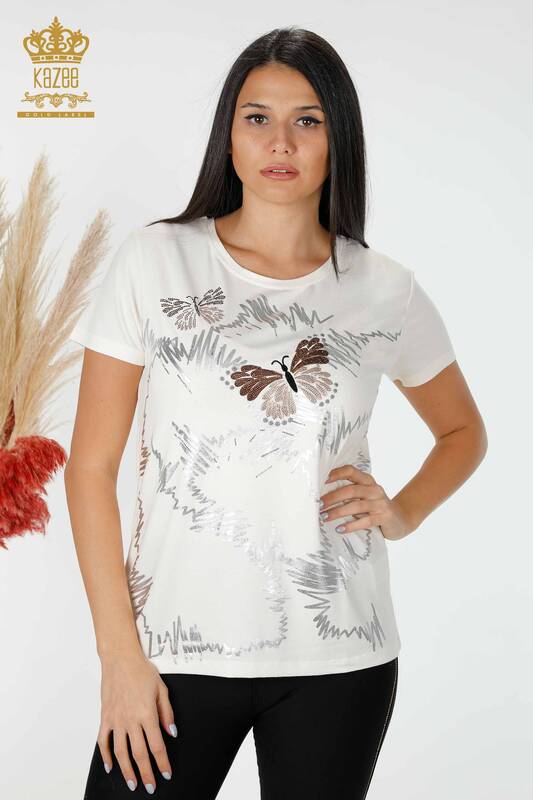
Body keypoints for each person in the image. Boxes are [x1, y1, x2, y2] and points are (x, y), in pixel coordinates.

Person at [64, 26, 487, 800]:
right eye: (257, 117)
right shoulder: (155, 262)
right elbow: (89, 468)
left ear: (338, 138)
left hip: (340, 654)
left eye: (307, 120)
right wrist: (118, 656)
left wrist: (402, 512)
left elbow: (462, 431)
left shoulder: (382, 288)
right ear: (228, 136)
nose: (280, 142)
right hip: (172, 653)